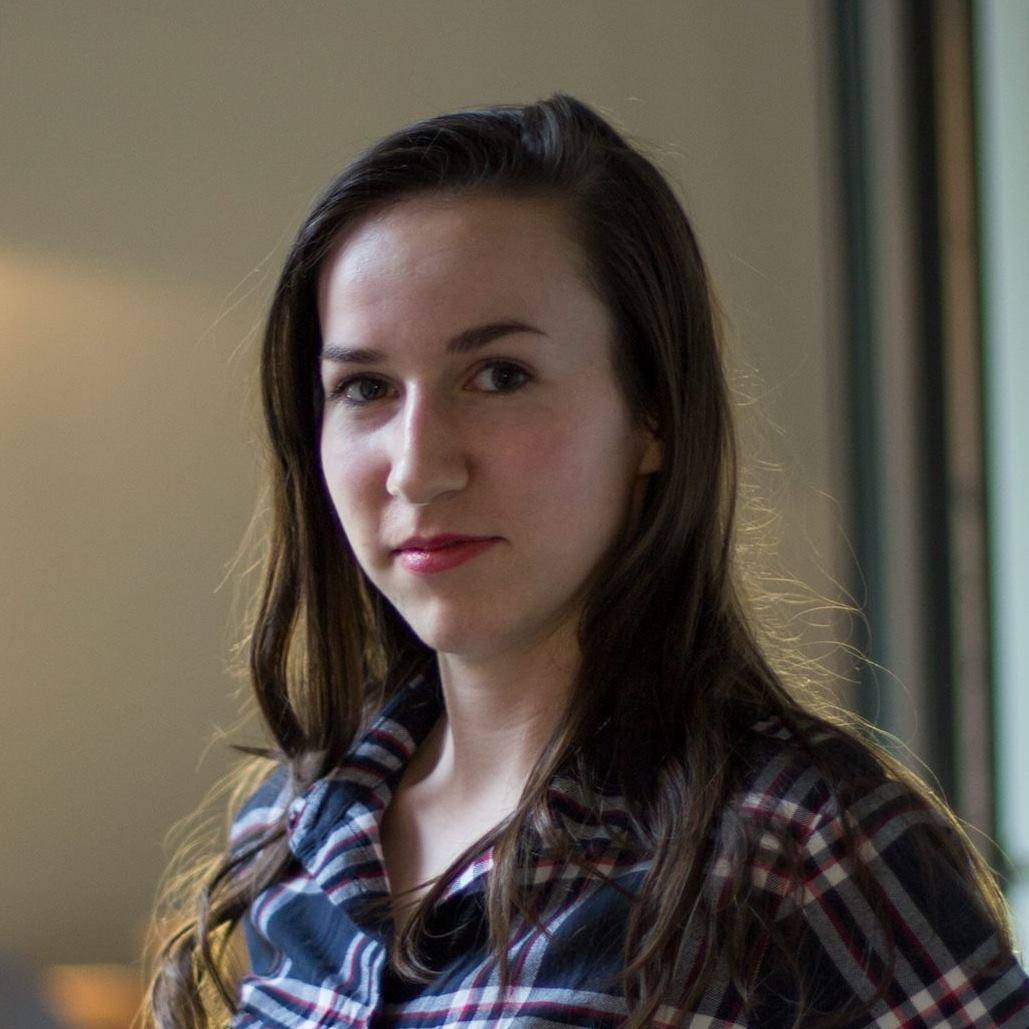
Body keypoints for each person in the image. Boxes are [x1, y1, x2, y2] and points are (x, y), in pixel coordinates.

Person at [145, 95, 1029, 1028]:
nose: (417, 466)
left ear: (651, 414)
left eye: (499, 375)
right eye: (364, 387)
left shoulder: (804, 843)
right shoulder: (295, 830)